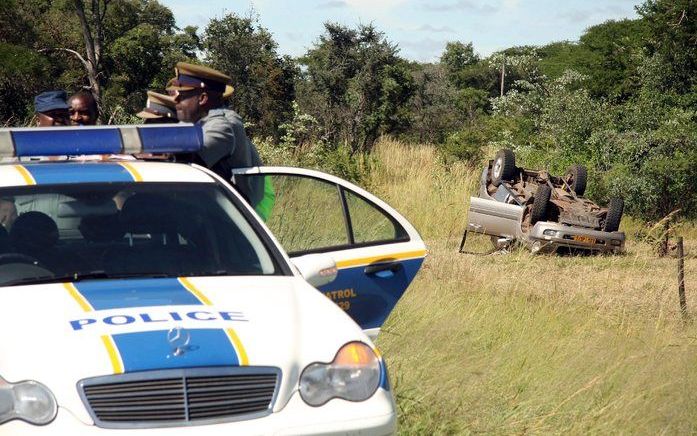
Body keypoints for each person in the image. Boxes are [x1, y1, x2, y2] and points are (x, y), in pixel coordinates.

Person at [165, 62, 264, 207]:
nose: (176, 101)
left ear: (202, 98)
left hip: (226, 214)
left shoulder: (224, 124)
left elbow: (187, 158)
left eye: (182, 96)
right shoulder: (196, 122)